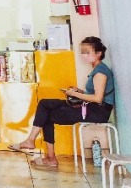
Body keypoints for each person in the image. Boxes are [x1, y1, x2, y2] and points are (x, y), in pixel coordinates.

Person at [9, 36, 114, 167]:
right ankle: (37, 146)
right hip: (90, 108)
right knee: (44, 104)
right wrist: (79, 91)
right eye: (82, 52)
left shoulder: (100, 72)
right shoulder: (97, 69)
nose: (84, 55)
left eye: (87, 52)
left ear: (98, 53)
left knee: (46, 114)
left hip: (97, 112)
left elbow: (98, 98)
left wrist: (74, 94)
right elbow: (94, 94)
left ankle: (47, 155)